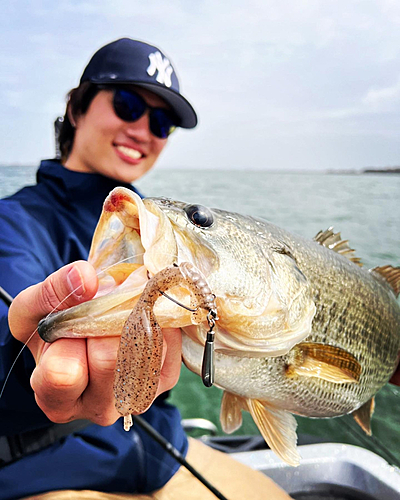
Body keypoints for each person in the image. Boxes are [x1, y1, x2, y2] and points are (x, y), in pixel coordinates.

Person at [0, 38, 291, 499]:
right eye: (128, 104)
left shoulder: (158, 226)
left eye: (162, 122)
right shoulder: (12, 223)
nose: (143, 129)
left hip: (161, 450)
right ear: (76, 109)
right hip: (47, 471)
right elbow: (10, 325)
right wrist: (27, 358)